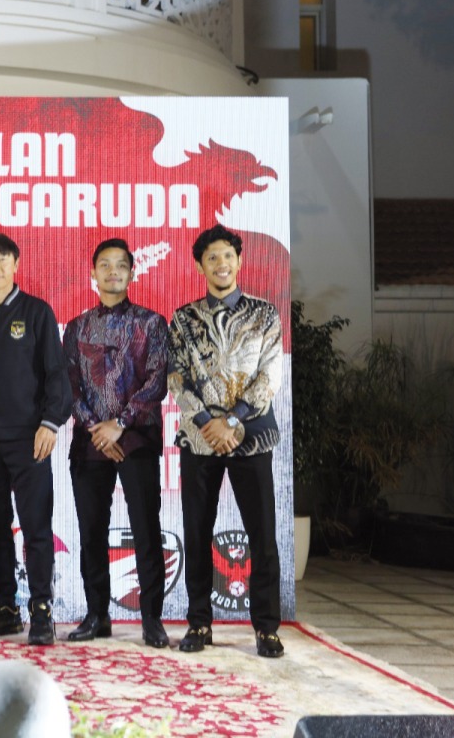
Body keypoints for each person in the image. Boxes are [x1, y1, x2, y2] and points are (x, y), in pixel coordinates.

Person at [168, 224, 285, 659]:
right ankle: (199, 623)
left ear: (239, 261)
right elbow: (175, 377)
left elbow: (270, 376)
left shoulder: (264, 314)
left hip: (251, 437)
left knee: (263, 536)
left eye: (227, 256)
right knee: (196, 533)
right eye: (212, 257)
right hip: (200, 441)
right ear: (200, 265)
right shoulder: (183, 318)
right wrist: (206, 423)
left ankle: (267, 628)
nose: (221, 264)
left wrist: (232, 420)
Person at [0, 233, 71, 646]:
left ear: (16, 264)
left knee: (36, 527)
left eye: (3, 259)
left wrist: (50, 423)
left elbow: (57, 375)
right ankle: (5, 606)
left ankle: (41, 609)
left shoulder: (37, 312)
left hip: (29, 440)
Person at [62, 238, 170, 647]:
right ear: (93, 274)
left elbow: (156, 380)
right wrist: (95, 427)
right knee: (92, 531)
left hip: (137, 439)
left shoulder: (152, 323)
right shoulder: (77, 327)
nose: (112, 272)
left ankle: (151, 619)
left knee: (146, 528)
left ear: (131, 272)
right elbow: (68, 385)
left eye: (120, 265)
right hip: (90, 443)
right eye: (104, 265)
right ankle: (96, 615)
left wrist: (120, 424)